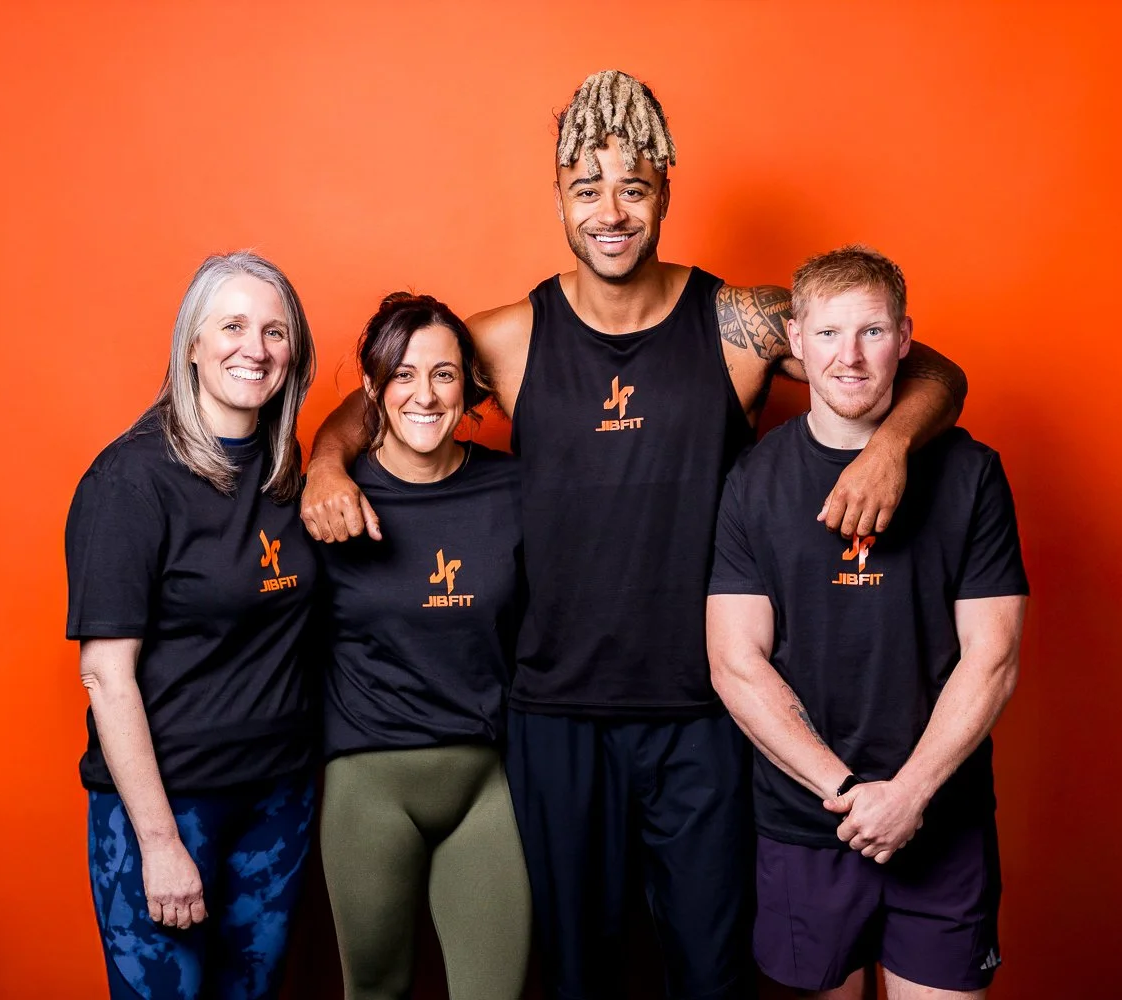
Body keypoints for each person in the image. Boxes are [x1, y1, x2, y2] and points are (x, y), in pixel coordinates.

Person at [301, 71, 968, 999]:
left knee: (710, 973)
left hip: (705, 713)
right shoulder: (512, 337)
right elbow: (385, 390)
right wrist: (327, 465)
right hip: (557, 714)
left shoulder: (736, 325)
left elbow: (928, 367)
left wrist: (891, 445)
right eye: (588, 188)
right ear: (559, 199)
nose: (611, 211)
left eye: (634, 187)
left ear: (665, 195)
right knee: (580, 976)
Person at [707, 246, 1027, 999]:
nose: (848, 356)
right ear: (795, 340)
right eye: (828, 333)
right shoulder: (753, 480)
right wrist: (850, 791)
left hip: (942, 820)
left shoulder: (972, 474)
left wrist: (909, 795)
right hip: (807, 822)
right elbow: (735, 663)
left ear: (906, 338)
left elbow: (993, 657)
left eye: (872, 332)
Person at [65, 252, 319, 1000]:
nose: (255, 349)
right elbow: (105, 675)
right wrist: (158, 842)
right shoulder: (130, 480)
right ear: (193, 345)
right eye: (232, 326)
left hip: (278, 802)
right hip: (171, 806)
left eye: (275, 332)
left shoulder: (286, 471)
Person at [316, 293, 530, 1000]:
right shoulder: (331, 501)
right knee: (374, 989)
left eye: (443, 374)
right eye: (402, 375)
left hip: (487, 782)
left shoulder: (512, 488)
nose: (425, 394)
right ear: (373, 388)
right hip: (368, 786)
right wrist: (324, 465)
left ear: (468, 385)